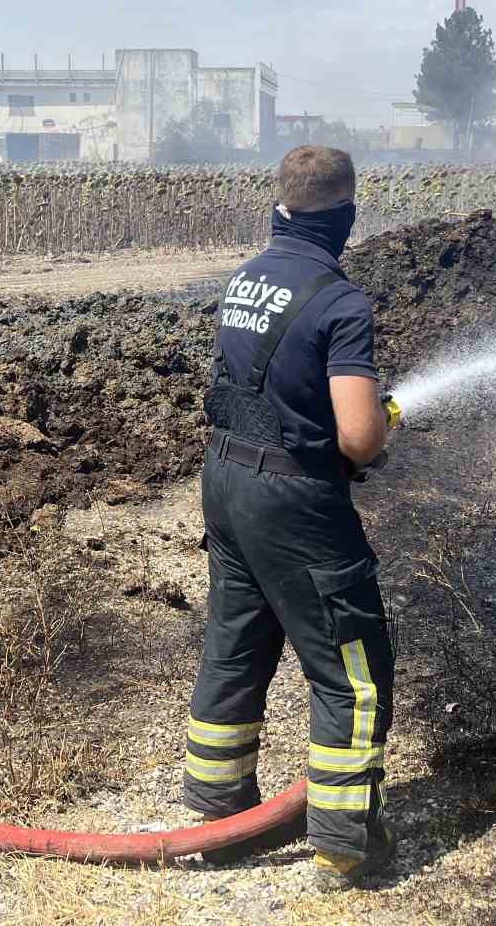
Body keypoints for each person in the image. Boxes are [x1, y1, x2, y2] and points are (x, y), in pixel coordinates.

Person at [182, 145, 400, 890]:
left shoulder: (247, 279)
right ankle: (343, 844)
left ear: (281, 210)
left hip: (227, 481)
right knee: (352, 672)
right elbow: (359, 438)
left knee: (236, 647)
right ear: (346, 216)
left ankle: (217, 819)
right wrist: (384, 420)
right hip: (294, 501)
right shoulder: (342, 304)